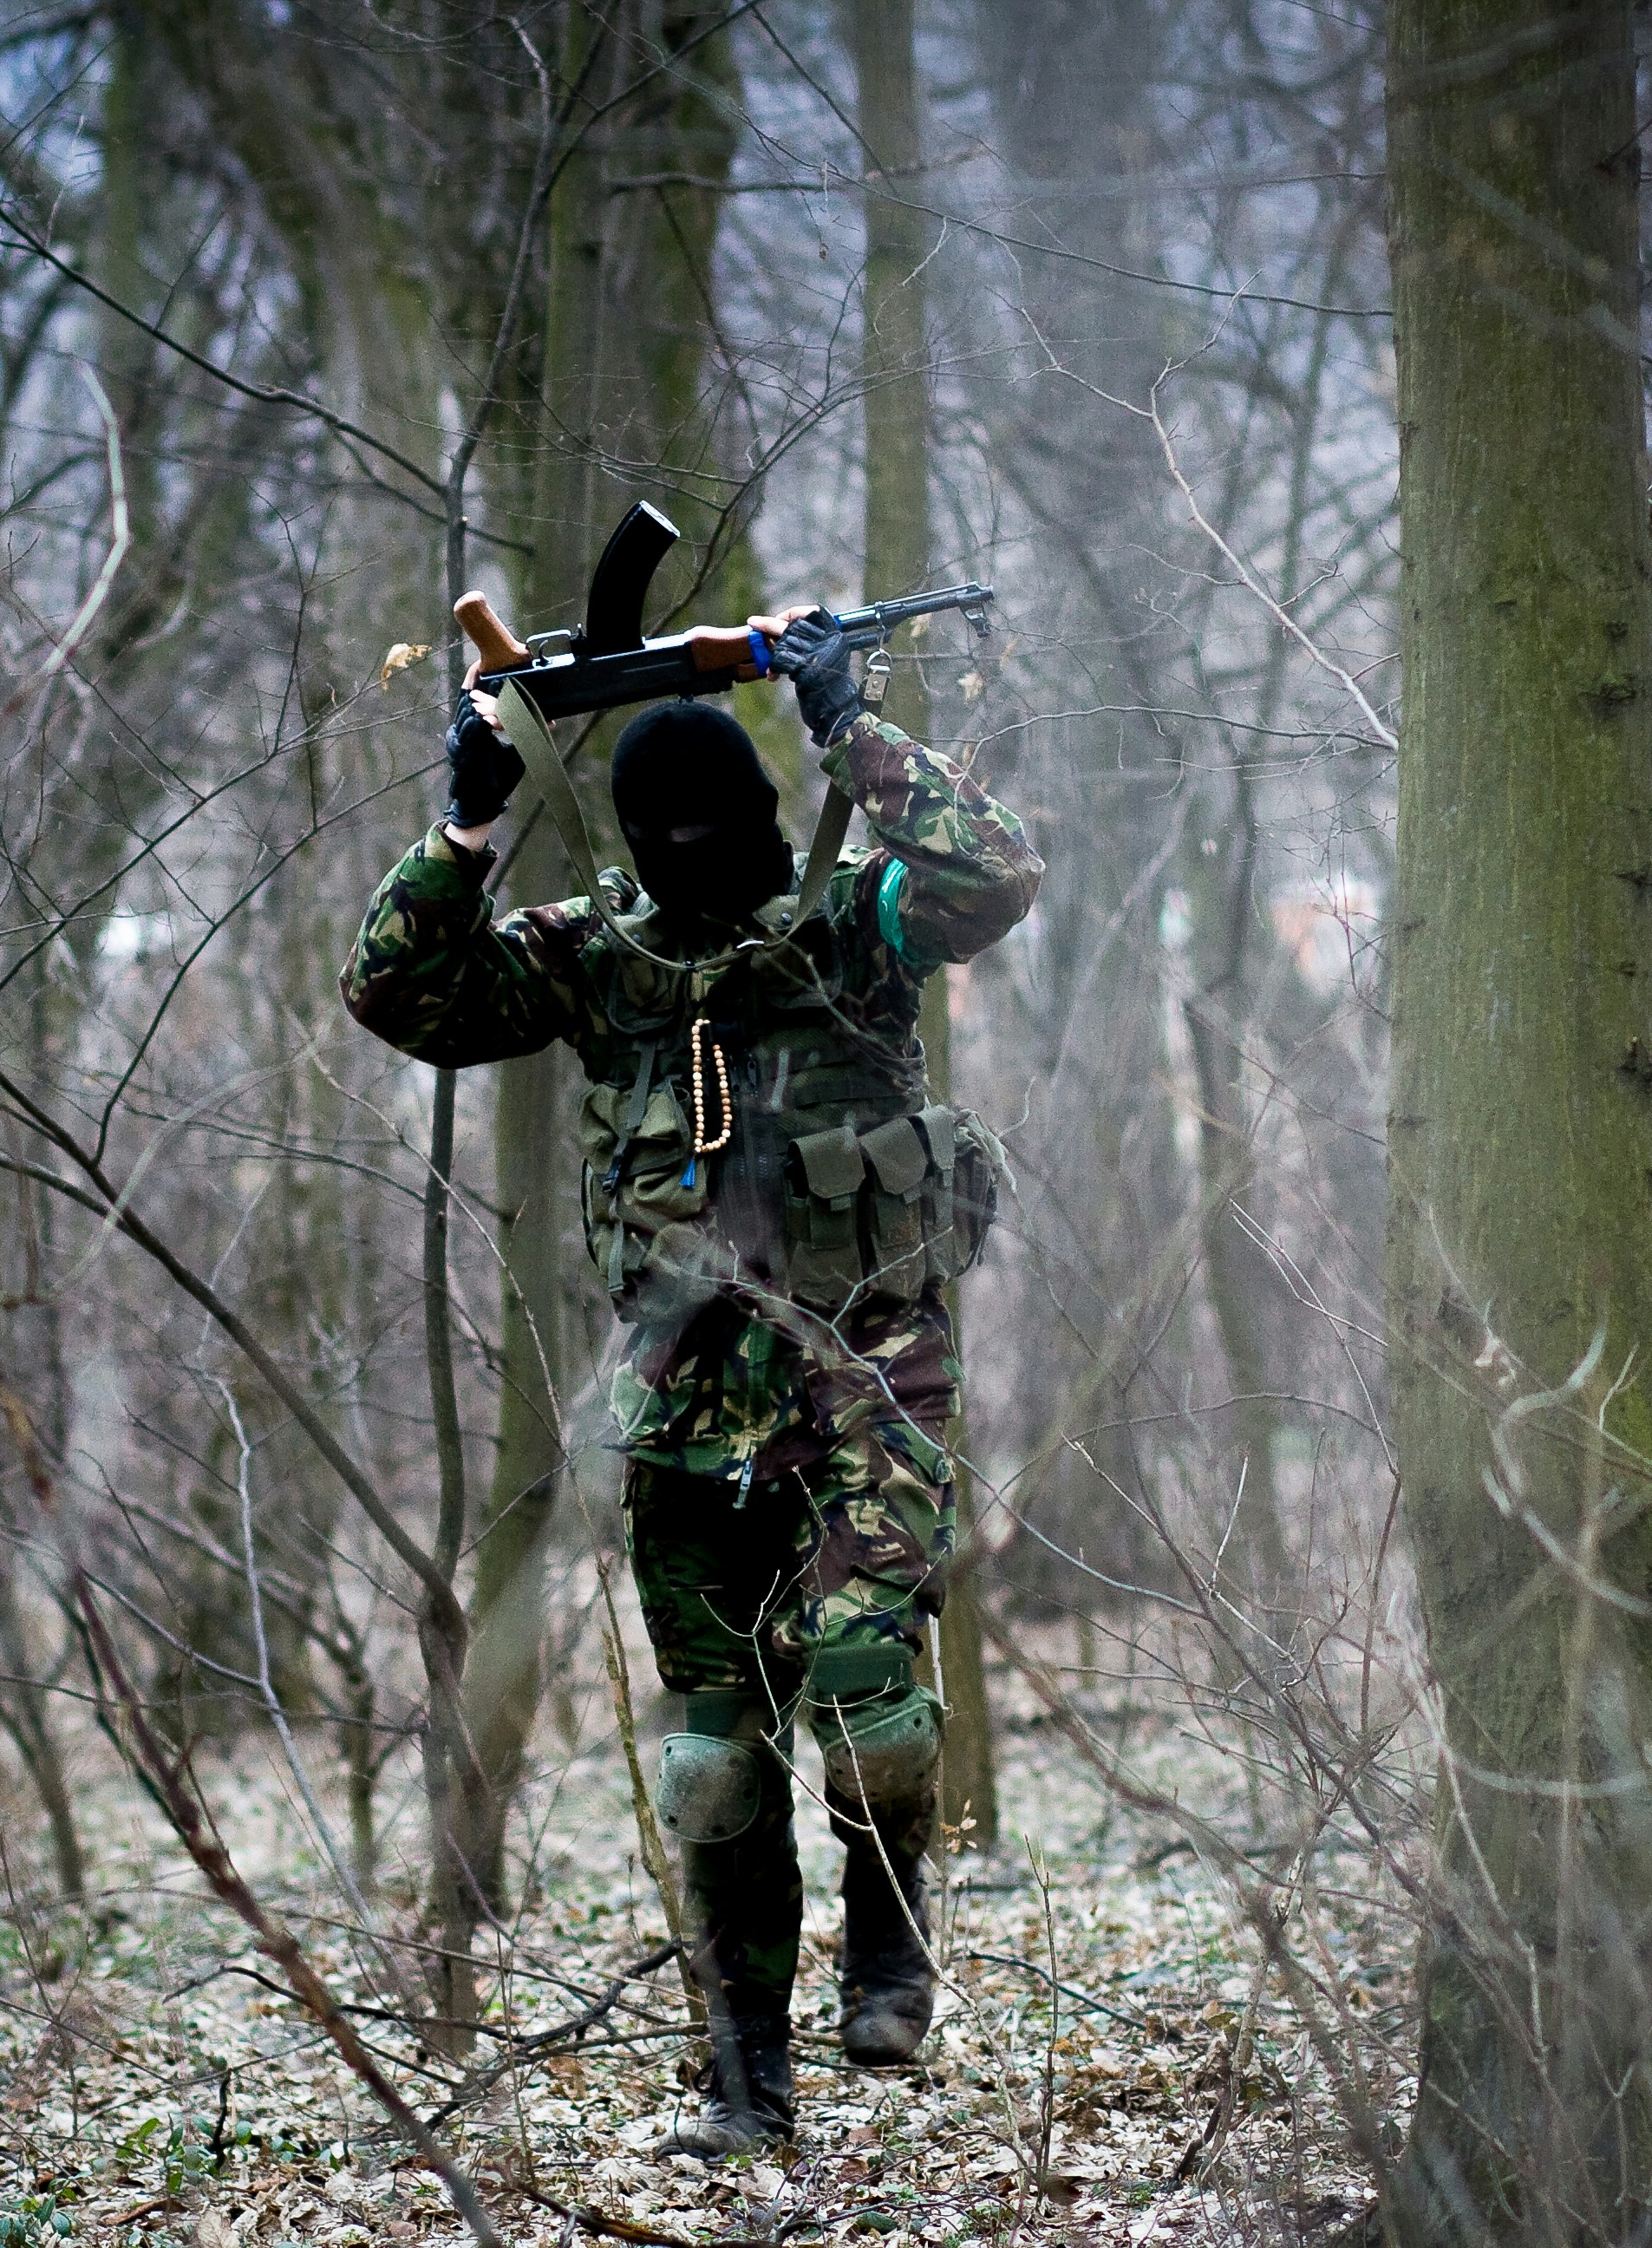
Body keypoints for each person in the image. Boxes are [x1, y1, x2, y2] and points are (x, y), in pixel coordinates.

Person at [339, 604, 1043, 2153]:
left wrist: (851, 716)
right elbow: (401, 998)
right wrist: (467, 817)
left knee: (874, 1706)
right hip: (683, 1404)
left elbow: (996, 872)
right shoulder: (600, 963)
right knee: (719, 1760)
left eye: (717, 816)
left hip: (872, 1374)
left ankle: (889, 1947)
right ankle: (746, 2080)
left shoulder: (854, 931)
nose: (689, 843)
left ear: (769, 811)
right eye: (662, 826)